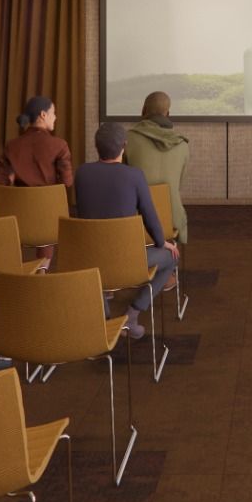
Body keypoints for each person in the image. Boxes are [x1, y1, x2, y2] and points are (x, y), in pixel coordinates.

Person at [72, 122, 178, 340]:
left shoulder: (82, 173)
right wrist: (162, 242)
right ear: (124, 146)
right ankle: (132, 314)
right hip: (126, 260)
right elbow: (150, 217)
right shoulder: (134, 175)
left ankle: (105, 322)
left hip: (88, 257)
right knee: (171, 257)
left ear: (96, 146)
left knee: (99, 268)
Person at [124, 91, 190, 246]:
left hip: (137, 217)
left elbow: (123, 182)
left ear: (143, 111)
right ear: (168, 113)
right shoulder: (183, 144)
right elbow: (179, 185)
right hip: (172, 217)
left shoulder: (127, 139)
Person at [0, 95, 73, 189]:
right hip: (50, 203)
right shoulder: (60, 145)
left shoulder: (11, 146)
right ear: (43, 115)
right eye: (53, 113)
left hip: (20, 203)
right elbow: (67, 182)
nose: (55, 117)